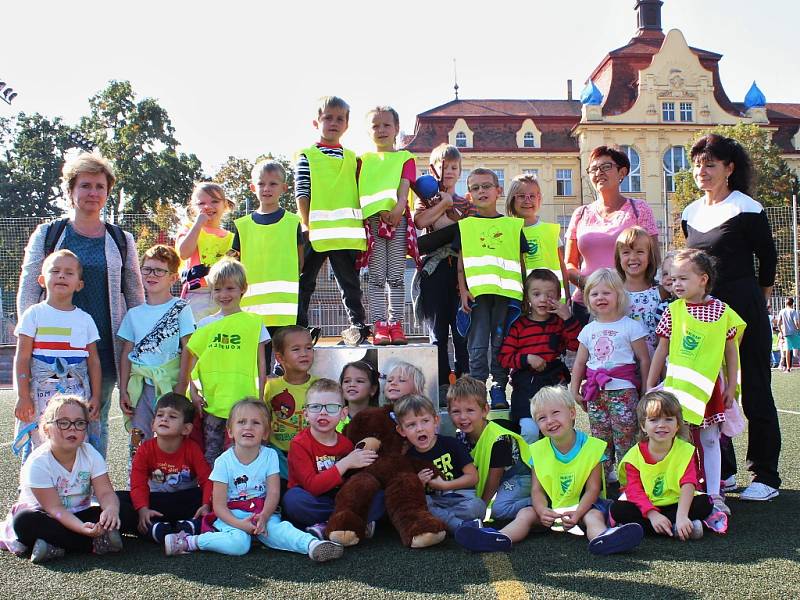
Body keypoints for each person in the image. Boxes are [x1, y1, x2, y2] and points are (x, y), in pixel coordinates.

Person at [17, 152, 144, 457]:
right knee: (44, 422)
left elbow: (135, 295)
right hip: (50, 351)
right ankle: (40, 491)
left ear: (108, 193)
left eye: (100, 187)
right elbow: (28, 287)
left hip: (103, 350)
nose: (93, 193)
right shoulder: (49, 234)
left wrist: (138, 345)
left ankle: (90, 491)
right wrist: (29, 336)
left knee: (93, 422)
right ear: (71, 191)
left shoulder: (121, 239)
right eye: (85, 185)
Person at [682, 134, 780, 501]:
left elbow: (767, 259)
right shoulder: (689, 212)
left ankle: (766, 475)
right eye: (697, 164)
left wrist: (760, 298)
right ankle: (723, 471)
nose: (702, 171)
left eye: (710, 164)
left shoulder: (747, 208)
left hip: (743, 309)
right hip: (703, 316)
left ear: (729, 168)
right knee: (710, 392)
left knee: (754, 388)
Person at [163, 399, 343, 561]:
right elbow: (218, 507)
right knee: (240, 544)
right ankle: (190, 541)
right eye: (241, 422)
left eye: (256, 423)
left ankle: (312, 545)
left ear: (265, 433)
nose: (248, 427)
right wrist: (239, 524)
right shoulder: (223, 462)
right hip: (231, 516)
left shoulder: (270, 455)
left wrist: (264, 516)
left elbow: (273, 493)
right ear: (230, 431)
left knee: (280, 529)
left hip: (262, 512)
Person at [647, 249, 744, 516]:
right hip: (677, 390)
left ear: (703, 279)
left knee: (711, 440)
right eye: (672, 278)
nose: (676, 284)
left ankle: (714, 493)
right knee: (679, 442)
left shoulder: (723, 312)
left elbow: (731, 351)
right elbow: (661, 349)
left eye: (683, 278)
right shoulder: (672, 312)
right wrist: (650, 383)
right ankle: (679, 490)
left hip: (709, 391)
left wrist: (731, 386)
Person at [5, 396, 122, 562]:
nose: (72, 429)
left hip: (80, 513)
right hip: (48, 517)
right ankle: (94, 544)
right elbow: (55, 509)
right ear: (46, 429)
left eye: (79, 423)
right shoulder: (38, 462)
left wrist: (111, 510)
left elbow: (105, 492)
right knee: (23, 522)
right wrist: (81, 529)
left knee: (124, 506)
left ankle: (54, 546)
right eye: (63, 422)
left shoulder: (89, 453)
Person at [530, 386, 643, 554]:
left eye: (555, 413)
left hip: (585, 507)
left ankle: (603, 539)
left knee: (593, 517)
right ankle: (499, 536)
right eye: (542, 418)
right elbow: (536, 490)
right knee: (525, 514)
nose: (550, 421)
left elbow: (593, 489)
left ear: (572, 413)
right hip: (552, 509)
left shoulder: (592, 447)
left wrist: (578, 513)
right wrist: (541, 511)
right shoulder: (537, 450)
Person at [177, 258, 268, 467]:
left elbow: (261, 362)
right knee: (212, 453)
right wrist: (193, 391)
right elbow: (193, 360)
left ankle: (239, 495)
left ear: (242, 289)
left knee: (241, 452)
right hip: (213, 402)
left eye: (230, 288)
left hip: (243, 403)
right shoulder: (205, 325)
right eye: (217, 289)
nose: (223, 295)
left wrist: (261, 396)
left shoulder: (254, 323)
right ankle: (211, 495)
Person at [13, 250, 101, 463]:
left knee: (74, 438)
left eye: (69, 272)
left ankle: (73, 488)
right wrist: (23, 396)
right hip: (41, 394)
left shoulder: (85, 319)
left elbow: (93, 361)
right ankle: (33, 489)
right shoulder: (33, 314)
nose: (62, 275)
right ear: (42, 280)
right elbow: (22, 358)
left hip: (75, 392)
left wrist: (96, 396)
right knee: (41, 441)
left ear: (79, 284)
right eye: (55, 271)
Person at [295, 95, 368, 346]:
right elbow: (302, 191)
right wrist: (306, 224)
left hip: (345, 234)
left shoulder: (353, 159)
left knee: (349, 284)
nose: (333, 123)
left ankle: (358, 325)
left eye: (340, 119)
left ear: (347, 125)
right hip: (316, 232)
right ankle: (300, 326)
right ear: (317, 122)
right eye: (328, 117)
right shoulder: (307, 155)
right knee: (305, 281)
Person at [456, 168, 528, 409]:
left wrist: (525, 294)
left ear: (498, 191)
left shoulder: (512, 225)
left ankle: (498, 387)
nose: (481, 191)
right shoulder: (466, 226)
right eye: (475, 188)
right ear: (469, 195)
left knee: (501, 342)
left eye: (486, 186)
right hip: (478, 297)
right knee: (477, 344)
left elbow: (521, 261)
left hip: (506, 298)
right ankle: (478, 391)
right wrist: (462, 290)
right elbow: (461, 261)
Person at [570, 268, 650, 480]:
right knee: (600, 436)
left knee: (625, 435)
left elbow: (643, 359)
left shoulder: (631, 327)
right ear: (588, 298)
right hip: (596, 393)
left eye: (606, 293)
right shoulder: (588, 330)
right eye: (594, 294)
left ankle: (629, 479)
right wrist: (574, 387)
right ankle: (603, 478)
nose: (600, 298)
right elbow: (580, 362)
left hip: (624, 392)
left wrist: (645, 389)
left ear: (619, 296)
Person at [565, 145, 658, 325]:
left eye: (606, 167)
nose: (599, 172)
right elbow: (569, 264)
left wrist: (622, 288)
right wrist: (591, 285)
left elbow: (653, 257)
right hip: (587, 303)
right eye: (594, 169)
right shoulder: (580, 213)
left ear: (622, 172)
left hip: (630, 302)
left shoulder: (639, 209)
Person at [610, 391, 719, 540]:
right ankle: (677, 528)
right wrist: (653, 514)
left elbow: (688, 483)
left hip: (677, 503)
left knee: (704, 503)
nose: (661, 425)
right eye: (654, 420)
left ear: (677, 425)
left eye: (668, 419)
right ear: (643, 426)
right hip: (647, 506)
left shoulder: (685, 450)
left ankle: (672, 525)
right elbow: (634, 490)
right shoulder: (633, 456)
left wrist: (681, 515)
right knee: (618, 510)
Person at [118, 245, 195, 450]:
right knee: (139, 437)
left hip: (169, 386)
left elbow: (189, 348)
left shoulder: (181, 308)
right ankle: (136, 478)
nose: (152, 275)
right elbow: (127, 353)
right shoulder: (134, 313)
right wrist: (123, 389)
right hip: (140, 387)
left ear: (173, 277)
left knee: (172, 437)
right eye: (147, 269)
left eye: (159, 271)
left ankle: (170, 480)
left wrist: (182, 384)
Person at [283, 379, 382, 537]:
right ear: (306, 414)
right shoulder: (299, 444)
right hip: (313, 499)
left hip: (340, 498)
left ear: (343, 413)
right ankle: (348, 522)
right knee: (292, 500)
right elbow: (312, 486)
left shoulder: (346, 444)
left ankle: (335, 524)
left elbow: (354, 481)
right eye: (315, 407)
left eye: (331, 407)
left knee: (378, 495)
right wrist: (346, 463)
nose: (323, 412)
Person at [233, 160, 304, 368]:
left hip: (286, 312)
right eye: (261, 183)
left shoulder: (293, 222)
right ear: (252, 187)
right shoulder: (242, 226)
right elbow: (234, 264)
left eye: (273, 184)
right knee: (256, 367)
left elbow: (300, 261)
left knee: (286, 367)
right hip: (252, 312)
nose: (267, 188)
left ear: (284, 188)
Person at [413, 143, 473, 387]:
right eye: (443, 166)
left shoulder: (466, 203)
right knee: (437, 332)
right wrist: (443, 204)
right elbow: (420, 222)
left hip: (460, 272)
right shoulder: (425, 200)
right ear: (432, 169)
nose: (448, 171)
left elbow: (468, 232)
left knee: (461, 331)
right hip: (434, 271)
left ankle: (466, 380)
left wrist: (450, 211)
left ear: (460, 172)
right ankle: (441, 383)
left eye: (454, 167)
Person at [117, 393, 212, 543]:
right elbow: (138, 484)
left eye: (173, 416)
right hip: (155, 503)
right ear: (153, 424)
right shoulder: (145, 449)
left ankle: (190, 525)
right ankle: (156, 529)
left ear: (186, 429)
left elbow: (207, 480)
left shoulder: (192, 449)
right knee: (118, 499)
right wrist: (143, 509)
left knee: (215, 497)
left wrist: (206, 505)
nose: (164, 419)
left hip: (185, 501)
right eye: (160, 415)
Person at [498, 269, 580, 442]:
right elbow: (504, 357)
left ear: (558, 297)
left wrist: (568, 318)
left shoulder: (559, 323)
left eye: (549, 295)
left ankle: (561, 464)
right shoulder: (519, 325)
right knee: (529, 431)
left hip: (554, 384)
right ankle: (529, 468)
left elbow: (577, 345)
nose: (543, 299)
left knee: (559, 431)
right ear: (527, 297)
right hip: (526, 387)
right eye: (536, 294)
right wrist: (527, 358)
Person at [359, 106, 417, 345]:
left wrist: (397, 209)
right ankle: (379, 324)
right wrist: (380, 211)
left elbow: (404, 189)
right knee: (375, 277)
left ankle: (396, 324)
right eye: (375, 125)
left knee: (395, 275)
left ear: (396, 129)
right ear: (368, 131)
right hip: (373, 221)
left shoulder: (405, 158)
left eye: (386, 125)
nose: (381, 130)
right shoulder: (362, 160)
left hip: (397, 220)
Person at [394, 395, 488, 540]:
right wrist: (418, 482)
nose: (419, 429)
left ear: (436, 421)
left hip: (460, 499)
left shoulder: (451, 444)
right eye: (411, 425)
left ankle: (454, 525)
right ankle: (461, 526)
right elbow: (410, 494)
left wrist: (445, 485)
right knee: (424, 506)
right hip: (435, 502)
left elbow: (473, 477)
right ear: (401, 430)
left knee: (477, 506)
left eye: (425, 421)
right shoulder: (408, 458)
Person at [447, 376, 531, 520]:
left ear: (485, 410)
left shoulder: (499, 439)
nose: (463, 417)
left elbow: (494, 480)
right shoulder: (460, 437)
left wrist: (481, 508)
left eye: (470, 410)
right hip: (502, 480)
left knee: (500, 510)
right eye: (456, 412)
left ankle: (540, 502)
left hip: (519, 477)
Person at [175, 182, 235, 321]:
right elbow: (184, 253)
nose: (208, 207)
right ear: (193, 208)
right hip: (197, 293)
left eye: (215, 201)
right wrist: (198, 224)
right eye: (201, 203)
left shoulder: (231, 238)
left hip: (223, 294)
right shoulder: (189, 228)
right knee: (195, 336)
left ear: (225, 205)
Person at [505, 174, 570, 302]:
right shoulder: (506, 231)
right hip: (518, 301)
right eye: (521, 196)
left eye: (532, 196)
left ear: (539, 198)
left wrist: (567, 296)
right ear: (512, 199)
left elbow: (562, 267)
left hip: (551, 301)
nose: (527, 200)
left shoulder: (550, 231)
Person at [266, 325, 318, 479]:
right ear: (280, 358)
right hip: (280, 457)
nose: (304, 354)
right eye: (296, 349)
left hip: (312, 455)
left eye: (308, 348)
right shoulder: (270, 387)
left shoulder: (320, 386)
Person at [615, 226, 666, 356]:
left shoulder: (661, 292)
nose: (633, 257)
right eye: (626, 252)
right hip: (624, 362)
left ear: (650, 257)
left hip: (654, 362)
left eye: (640, 252)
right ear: (618, 258)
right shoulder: (614, 293)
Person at [338, 360, 379, 430]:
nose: (352, 385)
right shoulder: (335, 418)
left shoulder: (380, 420)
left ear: (373, 389)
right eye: (347, 381)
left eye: (359, 381)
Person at [777, 297, 799, 372]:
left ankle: (788, 368)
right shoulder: (793, 311)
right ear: (793, 304)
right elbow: (796, 323)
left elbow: (778, 323)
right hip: (795, 333)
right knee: (796, 350)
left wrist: (782, 332)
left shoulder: (782, 311)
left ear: (785, 303)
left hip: (786, 334)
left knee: (787, 350)